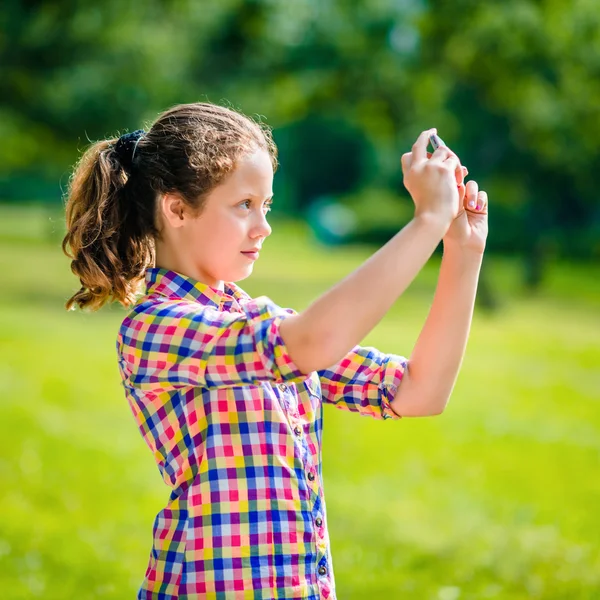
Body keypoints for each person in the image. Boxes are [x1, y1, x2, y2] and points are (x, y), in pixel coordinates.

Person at [62, 102, 488, 599]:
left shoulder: (258, 322)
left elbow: (419, 392)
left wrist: (463, 250)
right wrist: (427, 220)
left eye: (265, 205)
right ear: (176, 209)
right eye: (244, 205)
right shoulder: (157, 326)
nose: (263, 225)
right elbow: (312, 341)